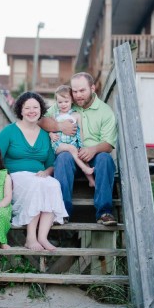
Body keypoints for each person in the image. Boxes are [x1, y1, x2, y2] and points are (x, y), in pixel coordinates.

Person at [40, 72, 118, 226]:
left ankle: (104, 212)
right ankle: (62, 212)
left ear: (93, 88)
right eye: (75, 91)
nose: (78, 95)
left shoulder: (105, 111)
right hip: (70, 154)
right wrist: (59, 126)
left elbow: (108, 144)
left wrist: (93, 149)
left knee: (105, 158)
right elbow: (42, 120)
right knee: (62, 158)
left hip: (94, 155)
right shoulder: (66, 102)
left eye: (82, 91)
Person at [0, 91, 68, 251]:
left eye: (35, 107)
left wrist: (47, 173)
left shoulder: (45, 135)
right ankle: (30, 238)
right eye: (27, 107)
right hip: (15, 177)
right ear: (20, 110)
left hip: (39, 176)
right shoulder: (9, 131)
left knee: (53, 185)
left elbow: (50, 163)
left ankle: (42, 237)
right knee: (37, 185)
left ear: (41, 110)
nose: (31, 111)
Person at [49, 85, 95, 187]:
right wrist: (51, 134)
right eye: (60, 102)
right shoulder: (55, 116)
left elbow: (80, 131)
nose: (63, 104)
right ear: (56, 102)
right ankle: (84, 169)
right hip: (58, 144)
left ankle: (91, 181)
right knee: (71, 149)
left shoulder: (76, 115)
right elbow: (50, 129)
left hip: (73, 143)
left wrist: (82, 146)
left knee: (81, 154)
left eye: (66, 101)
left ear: (72, 101)